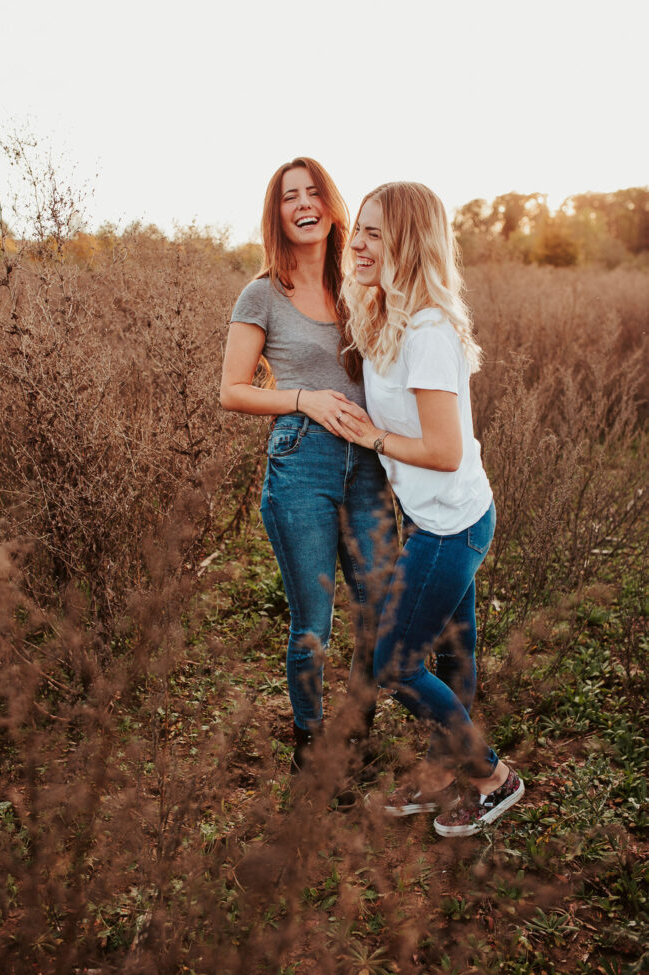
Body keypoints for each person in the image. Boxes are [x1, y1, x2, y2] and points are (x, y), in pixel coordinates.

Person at [338, 182, 524, 837]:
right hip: (437, 517)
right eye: (356, 230)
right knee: (454, 655)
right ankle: (444, 773)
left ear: (408, 244)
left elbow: (444, 450)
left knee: (394, 663)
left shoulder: (428, 330)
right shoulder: (388, 314)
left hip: (451, 523)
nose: (357, 243)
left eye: (373, 233)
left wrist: (372, 437)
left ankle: (492, 778)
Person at [220, 158, 396, 774]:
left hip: (370, 463)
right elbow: (232, 390)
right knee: (314, 623)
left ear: (329, 204)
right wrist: (304, 399)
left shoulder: (361, 282)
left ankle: (352, 734)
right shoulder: (262, 293)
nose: (303, 203)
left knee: (382, 606)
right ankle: (311, 749)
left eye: (313, 192)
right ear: (278, 214)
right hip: (302, 460)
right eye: (289, 196)